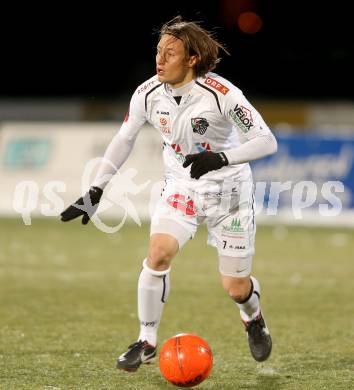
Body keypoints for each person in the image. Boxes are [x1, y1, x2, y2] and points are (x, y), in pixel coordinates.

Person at [61, 16, 277, 371]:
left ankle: (252, 317)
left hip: (230, 194)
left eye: (170, 53)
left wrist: (222, 157)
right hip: (181, 187)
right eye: (158, 51)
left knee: (236, 287)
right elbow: (124, 138)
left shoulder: (222, 95)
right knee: (158, 254)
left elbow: (266, 140)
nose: (159, 60)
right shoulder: (147, 93)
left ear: (192, 59)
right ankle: (146, 341)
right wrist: (97, 188)